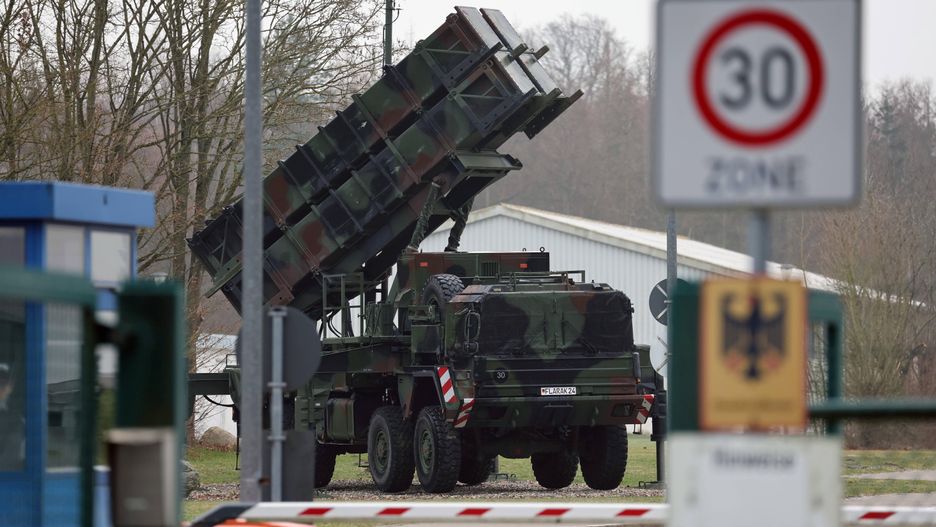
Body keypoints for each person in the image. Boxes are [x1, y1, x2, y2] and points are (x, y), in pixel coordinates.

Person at [0, 362, 24, 470]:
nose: (0, 388)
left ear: (10, 387)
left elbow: (9, 461)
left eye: (2, 383)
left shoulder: (16, 421)